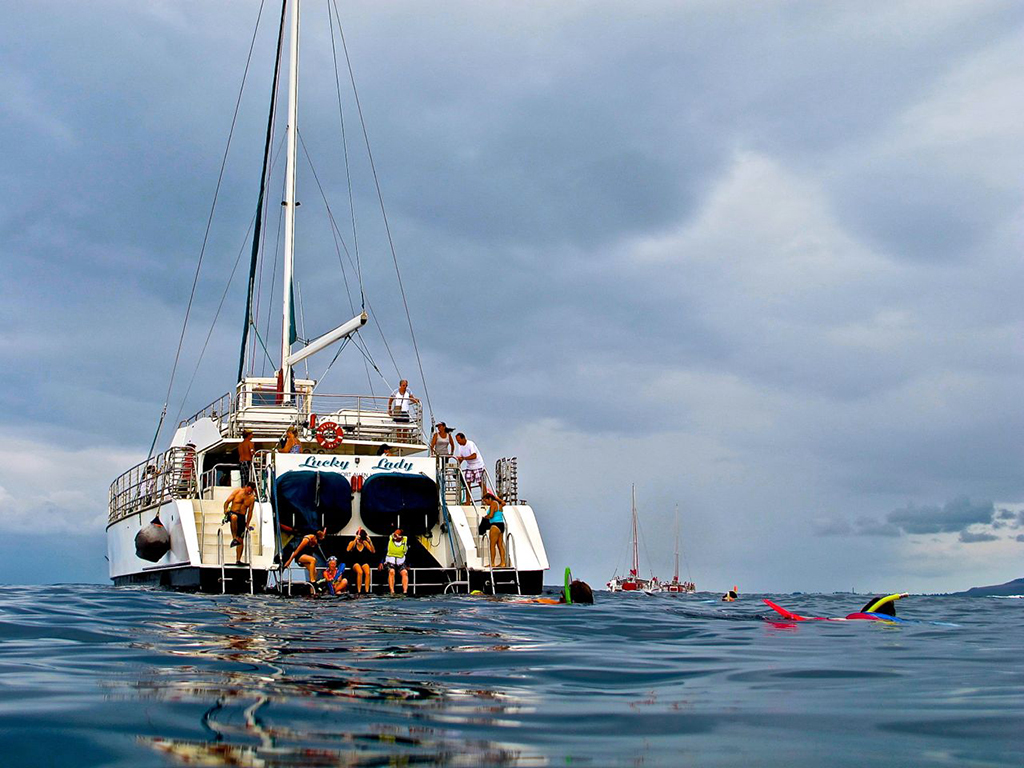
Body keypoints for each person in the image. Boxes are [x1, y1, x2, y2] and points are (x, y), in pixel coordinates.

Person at [222, 482, 257, 565]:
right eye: (248, 490)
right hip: (232, 513)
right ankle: (234, 537)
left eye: (250, 491)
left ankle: (238, 560)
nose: (249, 492)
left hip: (242, 516)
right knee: (234, 517)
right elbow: (227, 502)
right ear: (246, 487)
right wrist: (225, 510)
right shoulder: (237, 491)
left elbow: (250, 512)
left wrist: (247, 523)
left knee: (241, 539)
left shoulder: (251, 498)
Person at [454, 432, 488, 499]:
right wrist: (457, 466)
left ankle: (486, 499)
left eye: (459, 440)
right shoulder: (460, 447)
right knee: (467, 484)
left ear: (463, 438)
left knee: (480, 483)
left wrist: (464, 458)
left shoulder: (470, 444)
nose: (458, 442)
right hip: (470, 466)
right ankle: (468, 500)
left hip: (478, 465)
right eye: (457, 441)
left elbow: (474, 456)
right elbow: (461, 458)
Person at [480, 492, 507, 568]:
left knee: (492, 545)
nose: (485, 503)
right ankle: (503, 563)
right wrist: (498, 499)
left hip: (495, 525)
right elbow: (504, 503)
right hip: (501, 525)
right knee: (500, 545)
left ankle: (492, 563)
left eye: (485, 501)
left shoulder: (493, 504)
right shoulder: (499, 504)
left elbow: (491, 515)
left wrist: (485, 517)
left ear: (490, 499)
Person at [346, 527, 376, 593]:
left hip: (363, 562)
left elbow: (373, 551)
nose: (361, 541)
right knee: (360, 572)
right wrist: (355, 539)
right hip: (355, 562)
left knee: (367, 572)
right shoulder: (353, 543)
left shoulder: (365, 543)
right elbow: (348, 549)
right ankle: (359, 591)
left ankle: (367, 591)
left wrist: (370, 542)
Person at [381, 528, 410, 595]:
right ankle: (392, 591)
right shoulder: (390, 539)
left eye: (397, 535)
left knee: (405, 572)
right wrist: (381, 562)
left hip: (401, 562)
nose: (395, 536)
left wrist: (408, 564)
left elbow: (408, 553)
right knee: (392, 571)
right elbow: (384, 551)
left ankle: (405, 592)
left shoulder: (405, 541)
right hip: (390, 562)